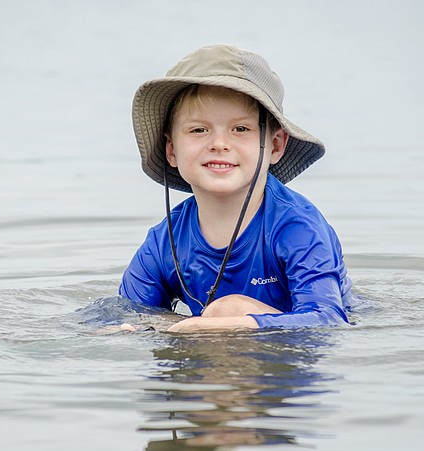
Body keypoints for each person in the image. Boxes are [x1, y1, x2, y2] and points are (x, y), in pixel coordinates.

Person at [119, 44, 354, 333]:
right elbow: (123, 310)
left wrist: (205, 326)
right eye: (198, 130)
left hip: (290, 359)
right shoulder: (163, 242)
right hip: (214, 352)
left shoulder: (297, 227)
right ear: (171, 150)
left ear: (275, 145)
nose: (219, 144)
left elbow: (328, 319)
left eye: (240, 129)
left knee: (226, 309)